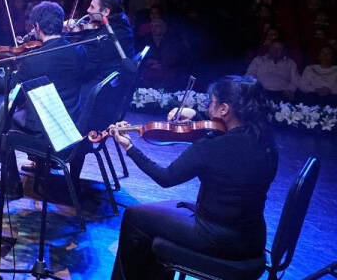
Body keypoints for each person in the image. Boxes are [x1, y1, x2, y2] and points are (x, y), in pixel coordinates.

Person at [107, 75, 278, 280]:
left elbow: (166, 177)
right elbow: (226, 145)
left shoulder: (212, 146)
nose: (208, 109)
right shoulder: (266, 140)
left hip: (215, 237)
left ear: (224, 109)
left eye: (211, 103)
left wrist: (129, 147)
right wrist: (196, 116)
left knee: (134, 216)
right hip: (252, 239)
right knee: (159, 219)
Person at [0, 1, 88, 197]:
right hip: (72, 124)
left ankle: (12, 182)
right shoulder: (79, 51)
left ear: (37, 27)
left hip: (47, 133)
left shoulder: (34, 60)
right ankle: (40, 167)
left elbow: (8, 89)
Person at [80, 0, 136, 83]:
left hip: (97, 82)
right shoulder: (122, 23)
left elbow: (84, 69)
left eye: (92, 7)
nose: (88, 10)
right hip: (113, 80)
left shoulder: (103, 39)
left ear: (106, 12)